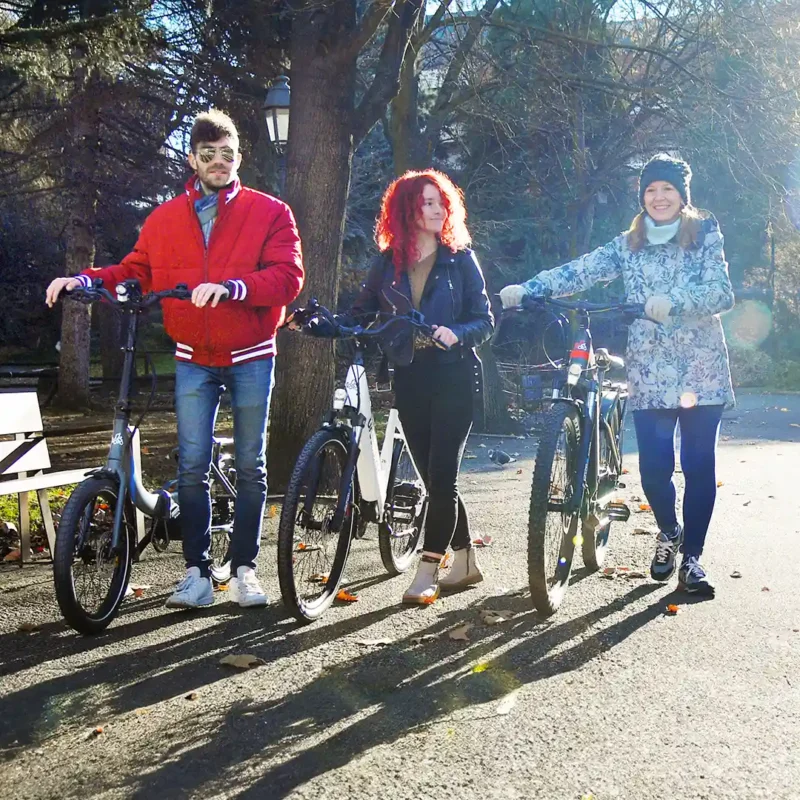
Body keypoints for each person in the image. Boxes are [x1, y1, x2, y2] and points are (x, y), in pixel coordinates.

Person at [46, 109, 304, 610]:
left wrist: (233, 287)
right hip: (193, 356)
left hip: (251, 352)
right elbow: (135, 269)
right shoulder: (164, 219)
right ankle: (197, 573)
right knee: (191, 465)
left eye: (227, 155)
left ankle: (246, 569)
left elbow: (288, 277)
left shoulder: (271, 211)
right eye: (208, 155)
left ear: (238, 158)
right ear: (192, 159)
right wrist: (85, 280)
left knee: (251, 465)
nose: (218, 163)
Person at [500, 154, 734, 597]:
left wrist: (676, 302)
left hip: (701, 370)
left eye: (667, 189)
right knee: (654, 469)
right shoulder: (629, 243)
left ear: (683, 195)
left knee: (699, 465)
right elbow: (580, 271)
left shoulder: (704, 234)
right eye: (650, 190)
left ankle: (692, 561)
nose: (659, 197)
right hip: (649, 370)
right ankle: (669, 531)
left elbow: (722, 292)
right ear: (641, 196)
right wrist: (531, 288)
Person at [344, 169, 494, 604]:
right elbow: (361, 311)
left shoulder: (459, 259)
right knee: (433, 479)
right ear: (407, 209)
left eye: (440, 201)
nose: (437, 209)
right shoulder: (386, 262)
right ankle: (465, 562)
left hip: (453, 376)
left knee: (443, 475)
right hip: (409, 376)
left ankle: (428, 568)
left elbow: (484, 319)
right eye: (427, 202)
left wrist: (457, 333)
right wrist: (324, 323)